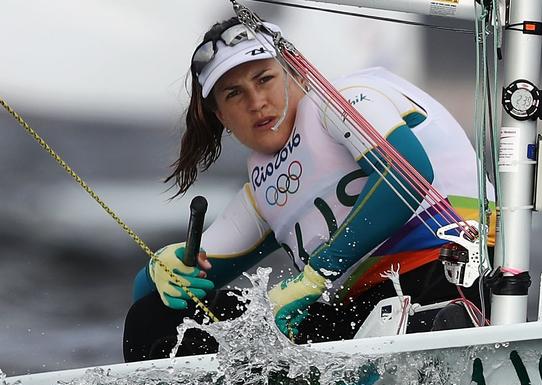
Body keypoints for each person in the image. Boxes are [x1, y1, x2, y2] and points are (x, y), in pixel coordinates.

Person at [122, 16, 495, 363]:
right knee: (150, 317)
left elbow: (405, 176)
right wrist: (159, 271)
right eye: (234, 94)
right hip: (366, 313)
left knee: (419, 311)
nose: (256, 103)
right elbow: (156, 299)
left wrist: (313, 278)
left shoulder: (348, 99)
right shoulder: (261, 191)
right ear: (222, 117)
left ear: (295, 74)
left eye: (264, 78)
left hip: (452, 274)